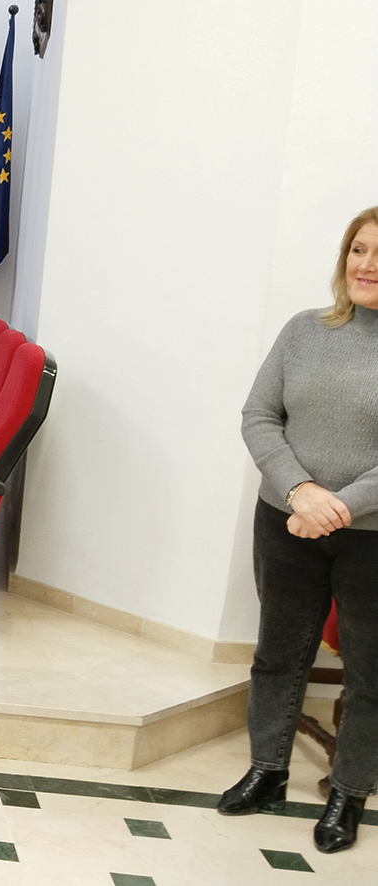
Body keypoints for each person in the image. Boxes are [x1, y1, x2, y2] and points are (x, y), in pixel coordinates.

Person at [224, 206, 378, 853]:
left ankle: (348, 792)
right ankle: (267, 770)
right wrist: (300, 492)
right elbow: (259, 416)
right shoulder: (303, 330)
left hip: (370, 537)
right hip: (284, 519)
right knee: (278, 652)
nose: (367, 265)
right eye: (358, 250)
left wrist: (334, 506)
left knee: (370, 671)